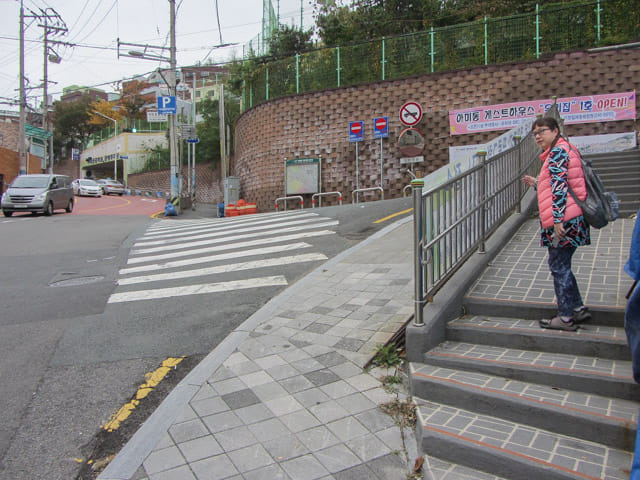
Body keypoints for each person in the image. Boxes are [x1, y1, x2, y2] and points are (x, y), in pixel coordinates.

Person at [522, 117, 592, 331]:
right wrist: (538, 183)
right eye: (535, 134)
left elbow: (560, 187)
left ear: (555, 130)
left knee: (558, 267)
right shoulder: (564, 149)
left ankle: (565, 317)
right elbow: (558, 182)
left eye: (542, 131)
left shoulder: (558, 152)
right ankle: (578, 308)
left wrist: (558, 220)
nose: (538, 137)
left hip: (565, 220)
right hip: (572, 216)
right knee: (563, 266)